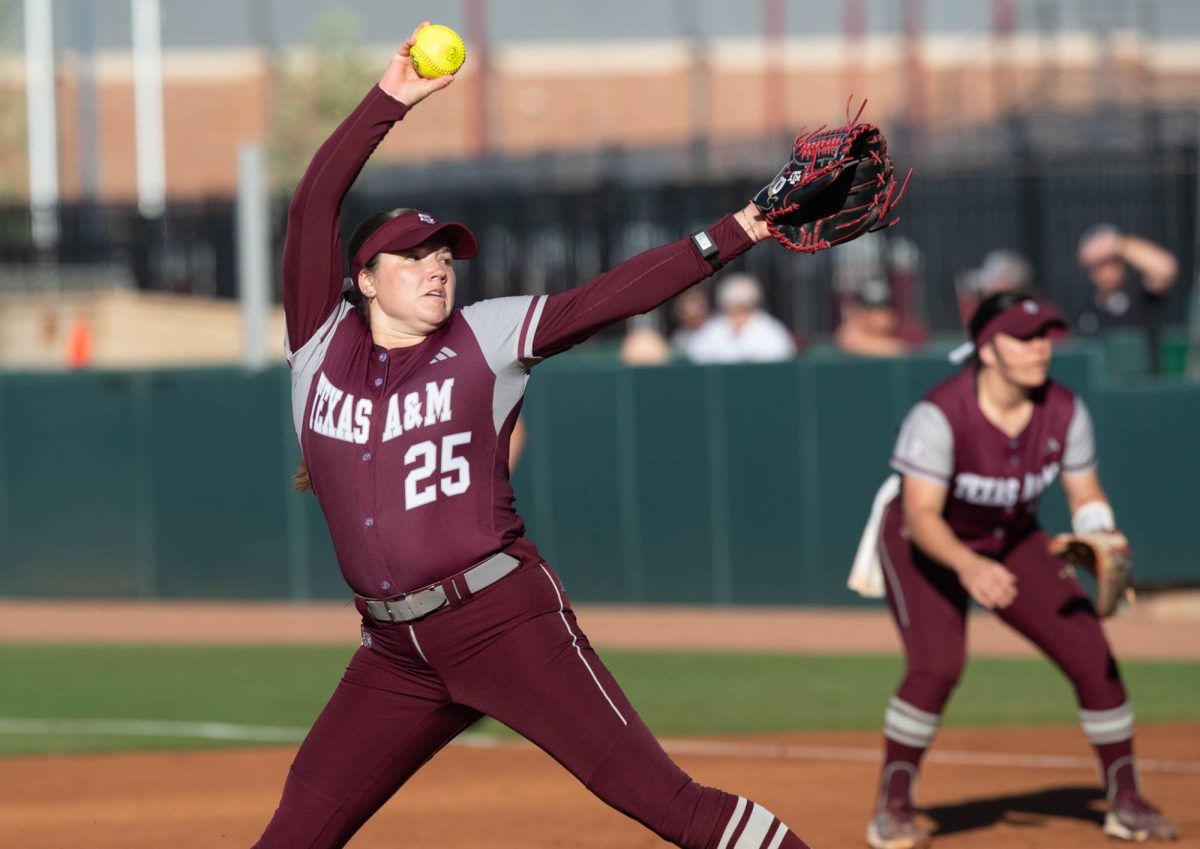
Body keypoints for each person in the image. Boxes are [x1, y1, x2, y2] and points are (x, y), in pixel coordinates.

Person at [258, 23, 814, 849]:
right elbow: (313, 205)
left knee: (668, 804)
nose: (437, 265)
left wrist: (742, 228)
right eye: (411, 256)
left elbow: (610, 297)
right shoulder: (318, 343)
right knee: (292, 836)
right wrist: (390, 100)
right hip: (393, 652)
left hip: (503, 623)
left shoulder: (488, 334)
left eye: (445, 253)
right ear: (363, 280)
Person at [851, 291, 1178, 848]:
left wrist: (1099, 533)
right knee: (937, 666)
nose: (1038, 349)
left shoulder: (1064, 410)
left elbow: (1085, 493)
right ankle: (893, 806)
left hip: (1010, 537)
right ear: (987, 346)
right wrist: (968, 564)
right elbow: (924, 516)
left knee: (1092, 655)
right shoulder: (940, 414)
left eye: (1043, 336)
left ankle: (1125, 800)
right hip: (923, 539)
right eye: (1022, 337)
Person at [1076, 224, 1178, 374]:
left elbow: (1166, 269)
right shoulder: (1087, 309)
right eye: (1097, 265)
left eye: (1111, 262)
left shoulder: (1141, 293)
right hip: (1106, 390)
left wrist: (1119, 245)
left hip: (1146, 383)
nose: (1105, 272)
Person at [685, 272, 796, 364]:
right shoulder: (713, 329)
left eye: (743, 309)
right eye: (732, 309)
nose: (738, 316)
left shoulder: (772, 331)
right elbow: (697, 357)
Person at [834, 278, 921, 358]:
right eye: (869, 308)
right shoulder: (850, 332)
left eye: (880, 308)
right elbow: (849, 339)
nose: (874, 314)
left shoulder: (906, 330)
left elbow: (912, 351)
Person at [669, 286, 711, 353]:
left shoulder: (719, 328)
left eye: (694, 300)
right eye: (685, 302)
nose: (690, 307)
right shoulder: (679, 337)